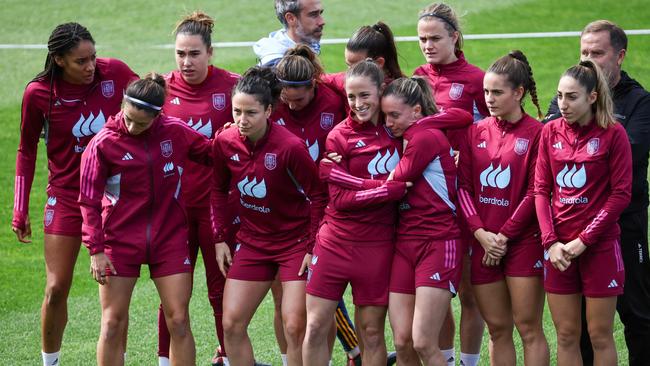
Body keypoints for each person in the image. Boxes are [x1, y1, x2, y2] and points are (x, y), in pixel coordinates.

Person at [11, 22, 137, 366]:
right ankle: (49, 362)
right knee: (55, 288)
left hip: (112, 198)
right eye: (81, 61)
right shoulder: (38, 93)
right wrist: (20, 208)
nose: (91, 66)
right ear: (59, 60)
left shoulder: (115, 74)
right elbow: (26, 150)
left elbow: (150, 105)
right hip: (66, 197)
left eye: (93, 57)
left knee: (113, 295)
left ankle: (116, 358)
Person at [79, 73, 212, 366]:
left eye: (141, 123)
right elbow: (88, 202)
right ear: (122, 106)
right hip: (119, 242)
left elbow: (213, 154)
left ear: (158, 116)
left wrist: (237, 135)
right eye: (127, 118)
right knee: (113, 322)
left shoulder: (175, 132)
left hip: (170, 239)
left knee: (178, 319)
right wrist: (96, 251)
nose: (131, 127)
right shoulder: (102, 144)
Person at [543, 20, 650, 366]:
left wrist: (590, 146)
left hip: (622, 224)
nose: (589, 60)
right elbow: (543, 173)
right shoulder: (565, 100)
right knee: (573, 331)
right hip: (564, 234)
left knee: (636, 313)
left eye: (597, 53)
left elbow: (627, 158)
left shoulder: (639, 103)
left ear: (619, 56)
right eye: (584, 52)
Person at [212, 67, 327, 366]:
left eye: (250, 112)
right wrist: (220, 238)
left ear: (268, 110)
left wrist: (311, 247)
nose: (242, 120)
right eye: (237, 111)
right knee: (231, 324)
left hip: (294, 243)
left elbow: (318, 196)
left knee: (294, 325)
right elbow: (218, 189)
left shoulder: (290, 147)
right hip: (253, 243)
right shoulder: (225, 142)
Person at [303, 60, 407, 366]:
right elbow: (341, 199)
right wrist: (387, 189)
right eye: (351, 97)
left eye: (364, 96)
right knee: (315, 326)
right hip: (334, 242)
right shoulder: (339, 136)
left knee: (372, 332)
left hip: (377, 247)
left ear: (381, 92)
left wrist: (362, 186)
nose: (358, 104)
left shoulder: (398, 132)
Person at [156, 11, 240, 366]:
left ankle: (227, 356)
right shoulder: (160, 88)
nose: (186, 62)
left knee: (220, 290)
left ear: (210, 53)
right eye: (180, 54)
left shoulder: (232, 85)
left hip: (216, 207)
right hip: (173, 210)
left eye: (194, 54)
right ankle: (165, 360)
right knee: (172, 296)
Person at [535, 60, 632, 365]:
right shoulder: (549, 132)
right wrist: (551, 242)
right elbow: (540, 189)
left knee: (600, 335)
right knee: (566, 335)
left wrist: (585, 240)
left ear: (592, 97)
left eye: (572, 97)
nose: (563, 104)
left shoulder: (613, 134)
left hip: (599, 247)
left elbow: (620, 195)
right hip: (559, 250)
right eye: (560, 96)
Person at [457, 50, 549, 365]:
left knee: (528, 328)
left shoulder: (538, 133)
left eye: (497, 92)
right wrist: (482, 235)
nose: (489, 99)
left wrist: (504, 237)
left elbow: (536, 191)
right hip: (483, 244)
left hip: (522, 243)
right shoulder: (475, 131)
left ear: (518, 93)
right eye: (486, 92)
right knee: (498, 329)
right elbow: (463, 188)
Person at [413, 4, 488, 365]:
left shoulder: (476, 79)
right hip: (428, 201)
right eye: (422, 39)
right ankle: (444, 360)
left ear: (454, 38)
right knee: (437, 291)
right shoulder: (416, 78)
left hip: (467, 198)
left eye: (435, 38)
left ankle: (469, 362)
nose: (427, 45)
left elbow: (494, 135)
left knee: (471, 293)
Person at [270, 44, 352, 365]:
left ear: (313, 86)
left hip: (329, 213)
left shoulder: (334, 102)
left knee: (320, 301)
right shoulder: (274, 107)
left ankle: (333, 358)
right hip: (284, 216)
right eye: (285, 97)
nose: (291, 104)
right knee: (287, 305)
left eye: (299, 99)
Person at [382, 77, 471, 366]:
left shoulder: (424, 137)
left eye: (394, 115)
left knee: (422, 341)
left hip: (437, 242)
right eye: (385, 115)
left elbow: (394, 184)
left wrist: (338, 178)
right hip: (405, 243)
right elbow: (459, 115)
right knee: (403, 341)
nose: (388, 122)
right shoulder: (411, 133)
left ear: (417, 111)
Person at [322, 21, 405, 99]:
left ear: (379, 63)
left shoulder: (400, 95)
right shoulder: (347, 80)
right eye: (348, 65)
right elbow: (322, 78)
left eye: (358, 67)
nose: (350, 73)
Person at [254, 0, 325, 67]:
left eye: (320, 13)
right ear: (291, 18)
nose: (322, 21)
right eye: (313, 15)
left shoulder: (309, 44)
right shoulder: (277, 68)